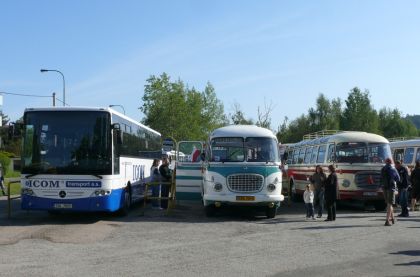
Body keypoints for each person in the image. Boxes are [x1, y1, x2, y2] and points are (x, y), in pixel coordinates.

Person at [380, 158, 400, 226]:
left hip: (384, 188)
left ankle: (393, 218)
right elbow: (398, 178)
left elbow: (380, 178)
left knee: (388, 203)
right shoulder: (393, 169)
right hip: (391, 188)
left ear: (386, 162)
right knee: (390, 204)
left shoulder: (383, 169)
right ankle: (387, 221)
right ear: (391, 162)